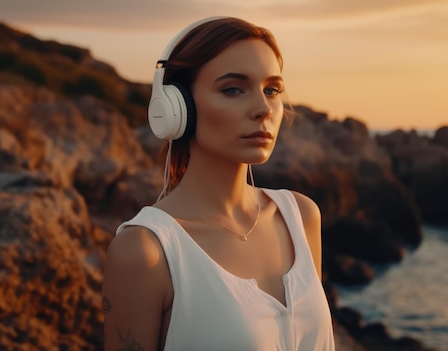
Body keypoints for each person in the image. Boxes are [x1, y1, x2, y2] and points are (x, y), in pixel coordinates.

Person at [102, 16, 335, 351]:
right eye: (233, 89)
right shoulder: (146, 252)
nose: (262, 109)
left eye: (272, 90)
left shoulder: (300, 215)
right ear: (176, 107)